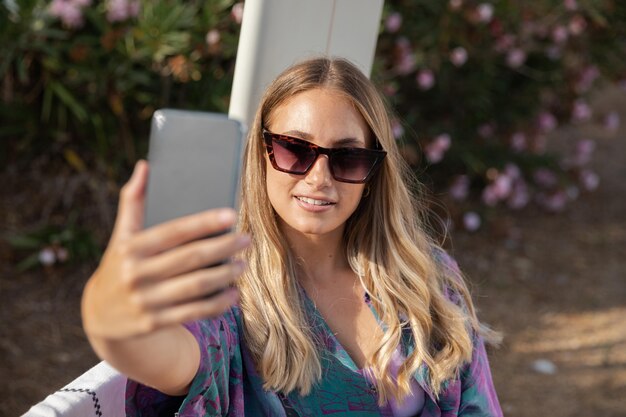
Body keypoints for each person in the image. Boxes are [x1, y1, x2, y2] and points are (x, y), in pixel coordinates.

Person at [81, 57, 503, 417]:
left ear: (373, 173)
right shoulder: (227, 295)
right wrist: (109, 313)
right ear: (261, 156)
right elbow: (167, 357)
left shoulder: (426, 277)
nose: (319, 178)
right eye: (294, 150)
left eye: (348, 157)